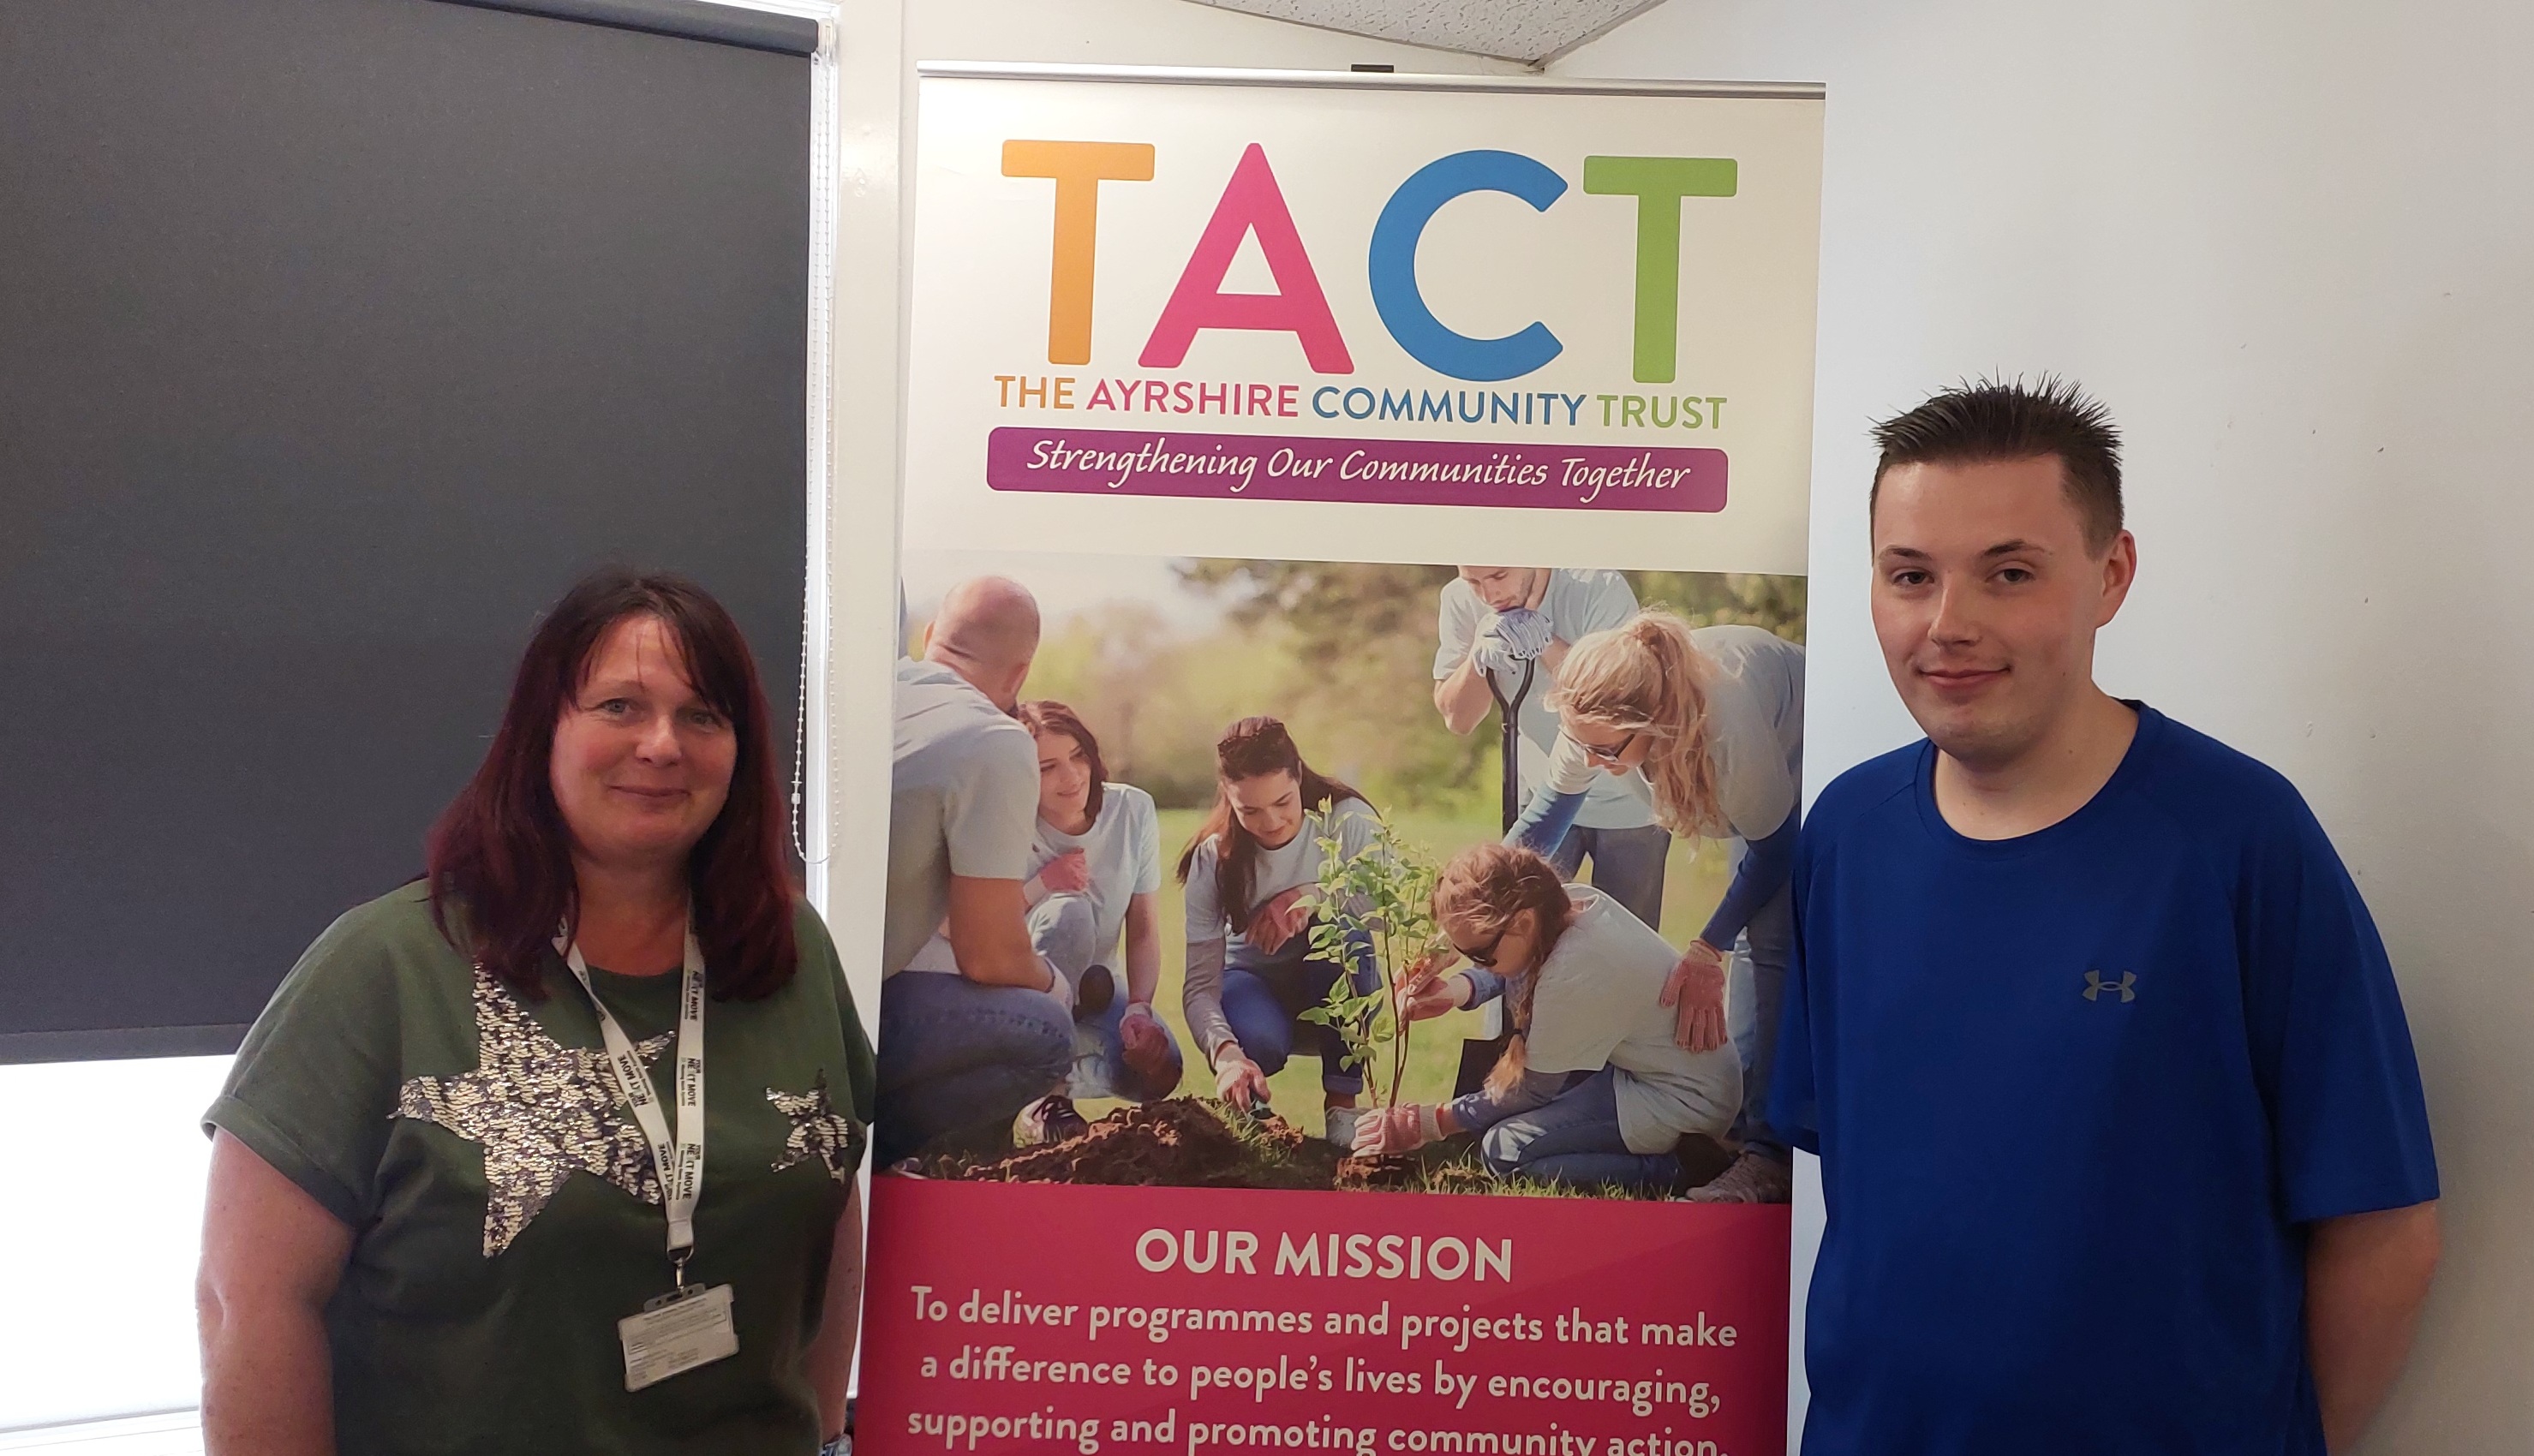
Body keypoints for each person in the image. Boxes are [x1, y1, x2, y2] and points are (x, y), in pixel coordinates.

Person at [1775, 379, 2440, 1453]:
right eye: (1911, 575)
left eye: (2010, 572)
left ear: (2111, 573)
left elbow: (2385, 1223)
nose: (1949, 624)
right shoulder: (1846, 833)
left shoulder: (2236, 838)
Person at [197, 570, 873, 1456]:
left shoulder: (787, 949)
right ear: (542, 731)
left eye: (703, 715)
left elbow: (827, 1195)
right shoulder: (385, 968)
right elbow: (247, 1299)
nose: (663, 744)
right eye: (621, 706)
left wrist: (823, 1430)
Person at [1504, 607, 1805, 1203]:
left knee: (1766, 944)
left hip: (1804, 745)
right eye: (1582, 744)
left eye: (1606, 750)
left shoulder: (1725, 722)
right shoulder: (1591, 723)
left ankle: (1766, 1156)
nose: (1591, 761)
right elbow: (1547, 819)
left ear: (1654, 722)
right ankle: (1725, 1137)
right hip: (1747, 772)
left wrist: (1704, 948)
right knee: (1750, 941)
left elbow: (1774, 849)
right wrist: (1467, 902)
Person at [1357, 844, 1742, 1188]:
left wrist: (1426, 1123)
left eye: (1480, 955)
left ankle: (1684, 1168)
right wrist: (1456, 991)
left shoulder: (1574, 970)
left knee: (1503, 1151)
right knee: (1491, 1122)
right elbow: (1519, 964)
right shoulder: (1565, 904)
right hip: (1658, 1072)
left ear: (1521, 922)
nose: (1479, 965)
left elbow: (1533, 1090)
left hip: (1684, 1101)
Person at [879, 576, 1073, 1166]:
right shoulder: (992, 741)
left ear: (931, 634)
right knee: (1042, 1031)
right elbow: (988, 956)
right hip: (833, 1011)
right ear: (1018, 677)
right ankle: (870, 1156)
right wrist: (1058, 988)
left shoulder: (871, 692)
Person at [1177, 716, 1382, 1147]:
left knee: (1343, 932)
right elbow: (1200, 987)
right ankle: (1255, 1111)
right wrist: (1225, 1054)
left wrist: (1311, 896)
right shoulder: (1213, 857)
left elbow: (1390, 914)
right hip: (1253, 987)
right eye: (1249, 810)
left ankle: (1343, 1110)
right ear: (1228, 798)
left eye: (1283, 802)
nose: (1270, 822)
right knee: (1259, 1043)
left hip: (1335, 987)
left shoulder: (1346, 820)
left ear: (1299, 777)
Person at [1432, 567, 1667, 928]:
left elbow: (1615, 693)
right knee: (1526, 931)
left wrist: (1545, 641)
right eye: (1474, 582)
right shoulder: (1460, 601)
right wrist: (1477, 660)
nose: (1489, 596)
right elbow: (1458, 719)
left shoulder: (1597, 588)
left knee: (1629, 939)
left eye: (1499, 576)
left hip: (1628, 798)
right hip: (1545, 790)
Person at [1007, 699, 1185, 1141]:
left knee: (1161, 1070)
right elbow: (972, 922)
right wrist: (1044, 883)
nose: (1071, 777)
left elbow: (1143, 925)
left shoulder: (1132, 810)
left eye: (1078, 756)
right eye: (1048, 767)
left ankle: (1032, 1077)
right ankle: (1045, 1097)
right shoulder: (1008, 822)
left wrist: (1140, 1007)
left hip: (1100, 990)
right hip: (1025, 995)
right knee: (1071, 912)